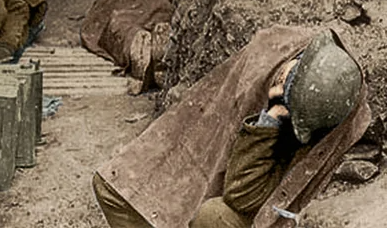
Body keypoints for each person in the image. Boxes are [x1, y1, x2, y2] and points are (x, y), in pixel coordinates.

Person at [92, 27, 370, 228]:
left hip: (248, 190)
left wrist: (271, 119)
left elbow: (243, 196)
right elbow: (205, 124)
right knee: (112, 187)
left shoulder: (322, 118)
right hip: (210, 145)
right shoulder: (273, 54)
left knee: (212, 216)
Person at [80, 0, 174, 91]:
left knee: (121, 26)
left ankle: (139, 46)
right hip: (135, 14)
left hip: (148, 9)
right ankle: (152, 48)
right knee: (124, 25)